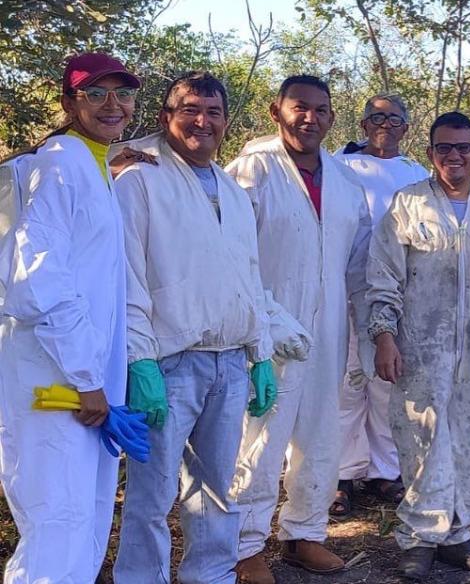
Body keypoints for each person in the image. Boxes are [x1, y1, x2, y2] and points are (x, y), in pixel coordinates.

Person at [113, 72, 280, 583]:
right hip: (168, 362)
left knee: (215, 489)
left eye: (212, 112)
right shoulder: (139, 177)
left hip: (228, 360)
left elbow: (248, 275)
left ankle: (210, 574)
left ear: (226, 122)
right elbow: (128, 277)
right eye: (189, 110)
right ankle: (141, 577)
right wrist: (139, 360)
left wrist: (262, 351)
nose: (201, 121)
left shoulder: (231, 189)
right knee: (152, 492)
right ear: (166, 117)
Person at [366, 112, 470, 580]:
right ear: (430, 153)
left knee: (467, 440)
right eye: (444, 148)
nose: (454, 157)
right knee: (419, 439)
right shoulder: (408, 205)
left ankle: (459, 533)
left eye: (463, 148)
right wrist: (384, 336)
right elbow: (383, 278)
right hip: (419, 349)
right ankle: (419, 538)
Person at [227, 75, 372, 581]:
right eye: (299, 107)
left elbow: (359, 267)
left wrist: (372, 330)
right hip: (265, 330)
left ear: (333, 118)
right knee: (259, 437)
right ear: (276, 111)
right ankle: (244, 544)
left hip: (329, 330)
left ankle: (303, 534)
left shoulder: (347, 184)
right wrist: (256, 323)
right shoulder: (251, 170)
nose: (310, 118)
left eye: (321, 109)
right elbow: (229, 254)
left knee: (320, 434)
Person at [0, 52, 138, 582]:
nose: (112, 104)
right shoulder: (59, 165)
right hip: (55, 384)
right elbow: (40, 282)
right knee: (58, 523)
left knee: (81, 521)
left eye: (123, 94)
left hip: (78, 384)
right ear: (68, 102)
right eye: (96, 93)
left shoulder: (90, 162)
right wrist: (85, 378)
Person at [332, 94, 428, 516]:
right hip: (344, 288)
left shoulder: (417, 173)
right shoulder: (340, 166)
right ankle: (341, 474)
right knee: (347, 381)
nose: (384, 124)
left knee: (387, 382)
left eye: (394, 118)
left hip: (396, 293)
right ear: (363, 123)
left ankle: (385, 471)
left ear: (407, 127)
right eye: (376, 117)